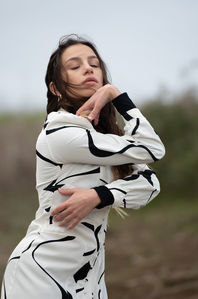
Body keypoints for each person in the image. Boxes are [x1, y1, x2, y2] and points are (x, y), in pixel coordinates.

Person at [1, 34, 165, 299]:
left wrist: (99, 196)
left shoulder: (101, 139)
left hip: (90, 275)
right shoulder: (60, 134)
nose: (88, 69)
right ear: (55, 89)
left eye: (94, 64)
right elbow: (152, 148)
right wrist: (117, 95)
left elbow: (150, 183)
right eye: (75, 66)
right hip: (40, 271)